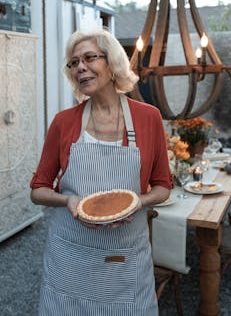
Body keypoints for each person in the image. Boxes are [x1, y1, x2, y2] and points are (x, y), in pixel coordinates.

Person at [30, 28, 172, 316]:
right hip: (70, 256)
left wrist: (134, 202)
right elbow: (38, 190)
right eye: (73, 63)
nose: (80, 67)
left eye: (89, 58)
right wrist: (68, 201)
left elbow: (162, 186)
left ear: (112, 63)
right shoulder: (63, 122)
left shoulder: (148, 118)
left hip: (122, 257)